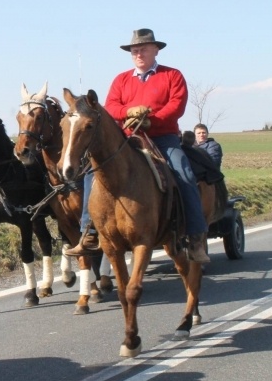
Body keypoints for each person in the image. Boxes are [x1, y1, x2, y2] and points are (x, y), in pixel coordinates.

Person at [65, 29, 211, 264]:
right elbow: (111, 106)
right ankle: (89, 233)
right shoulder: (121, 79)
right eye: (134, 50)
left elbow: (177, 105)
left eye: (143, 49)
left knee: (183, 171)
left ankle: (194, 236)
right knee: (91, 173)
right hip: (126, 137)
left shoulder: (172, 75)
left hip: (163, 137)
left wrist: (153, 120)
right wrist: (128, 112)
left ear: (156, 50)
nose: (138, 53)